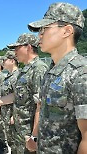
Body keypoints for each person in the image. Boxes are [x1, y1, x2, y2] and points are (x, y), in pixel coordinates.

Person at [27, 2, 87, 154]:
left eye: (44, 29)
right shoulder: (52, 71)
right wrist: (35, 138)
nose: (39, 35)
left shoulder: (81, 73)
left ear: (67, 31)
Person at [0, 33, 48, 154]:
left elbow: (41, 104)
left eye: (17, 48)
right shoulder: (25, 70)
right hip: (19, 131)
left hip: (28, 133)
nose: (15, 52)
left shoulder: (39, 69)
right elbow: (15, 96)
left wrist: (34, 136)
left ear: (28, 47)